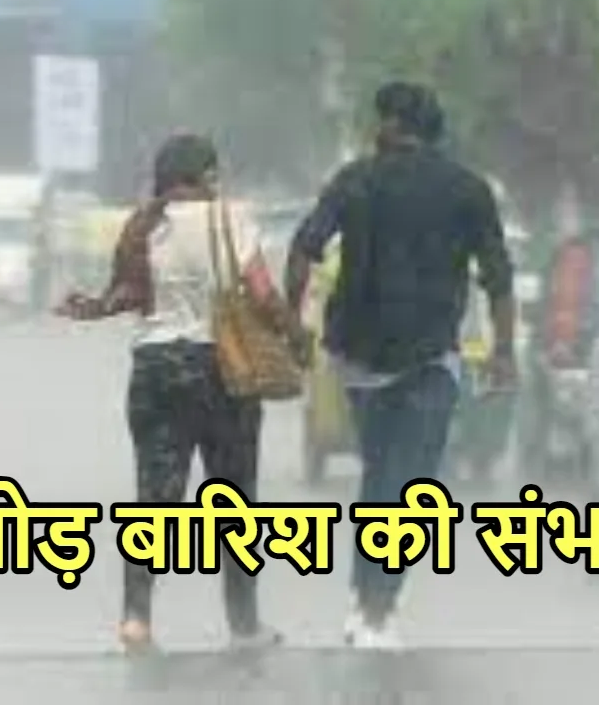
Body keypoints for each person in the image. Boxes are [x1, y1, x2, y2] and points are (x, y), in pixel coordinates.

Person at [284, 82, 518, 649]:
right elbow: (498, 277)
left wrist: (295, 325)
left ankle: (366, 600)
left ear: (393, 124)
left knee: (380, 476)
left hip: (360, 357)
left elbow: (303, 249)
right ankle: (376, 608)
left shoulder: (355, 180)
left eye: (379, 119)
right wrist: (505, 351)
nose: (375, 129)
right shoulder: (468, 189)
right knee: (409, 484)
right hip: (429, 356)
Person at [55, 134, 302, 653]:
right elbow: (261, 292)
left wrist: (90, 308)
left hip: (155, 369)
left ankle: (136, 620)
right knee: (234, 504)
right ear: (205, 175)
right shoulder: (229, 218)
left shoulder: (143, 224)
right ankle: (244, 626)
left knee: (153, 501)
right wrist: (294, 333)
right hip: (222, 371)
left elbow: (126, 295)